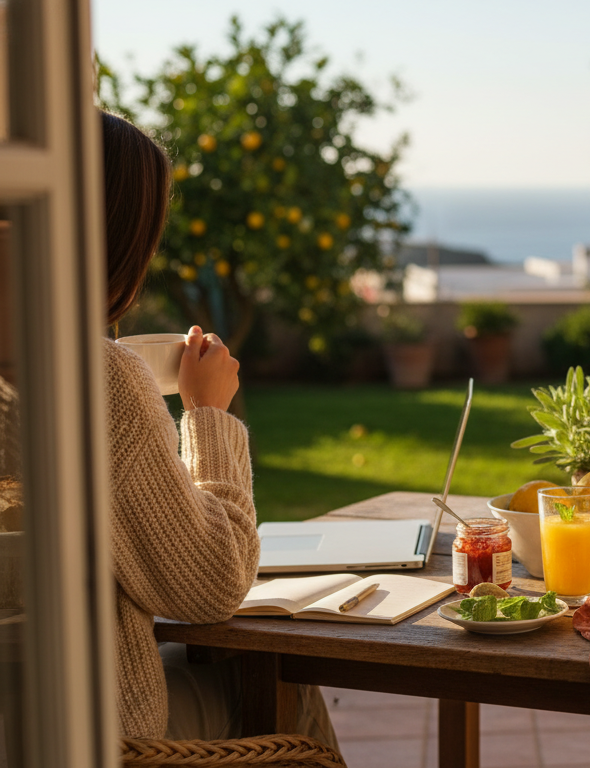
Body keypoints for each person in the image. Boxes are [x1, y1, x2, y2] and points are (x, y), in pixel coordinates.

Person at [99, 111, 337, 747]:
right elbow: (210, 585)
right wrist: (207, 415)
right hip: (89, 732)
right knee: (282, 686)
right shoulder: (96, 379)